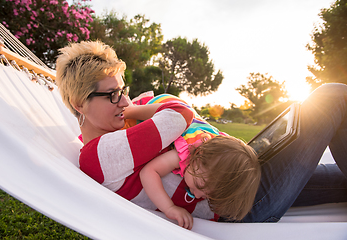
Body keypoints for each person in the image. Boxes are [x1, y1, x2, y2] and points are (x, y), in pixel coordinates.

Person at [55, 40, 347, 227]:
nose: (124, 101)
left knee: (340, 181)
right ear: (80, 103)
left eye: (124, 91)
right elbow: (180, 113)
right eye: (113, 95)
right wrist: (133, 109)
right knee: (333, 98)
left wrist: (125, 111)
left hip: (239, 171)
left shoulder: (113, 136)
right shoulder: (99, 154)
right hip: (243, 200)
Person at [140, 134, 261, 229]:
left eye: (207, 196)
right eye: (199, 186)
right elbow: (149, 172)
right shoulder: (183, 153)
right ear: (197, 156)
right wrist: (169, 208)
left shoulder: (211, 163)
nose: (197, 196)